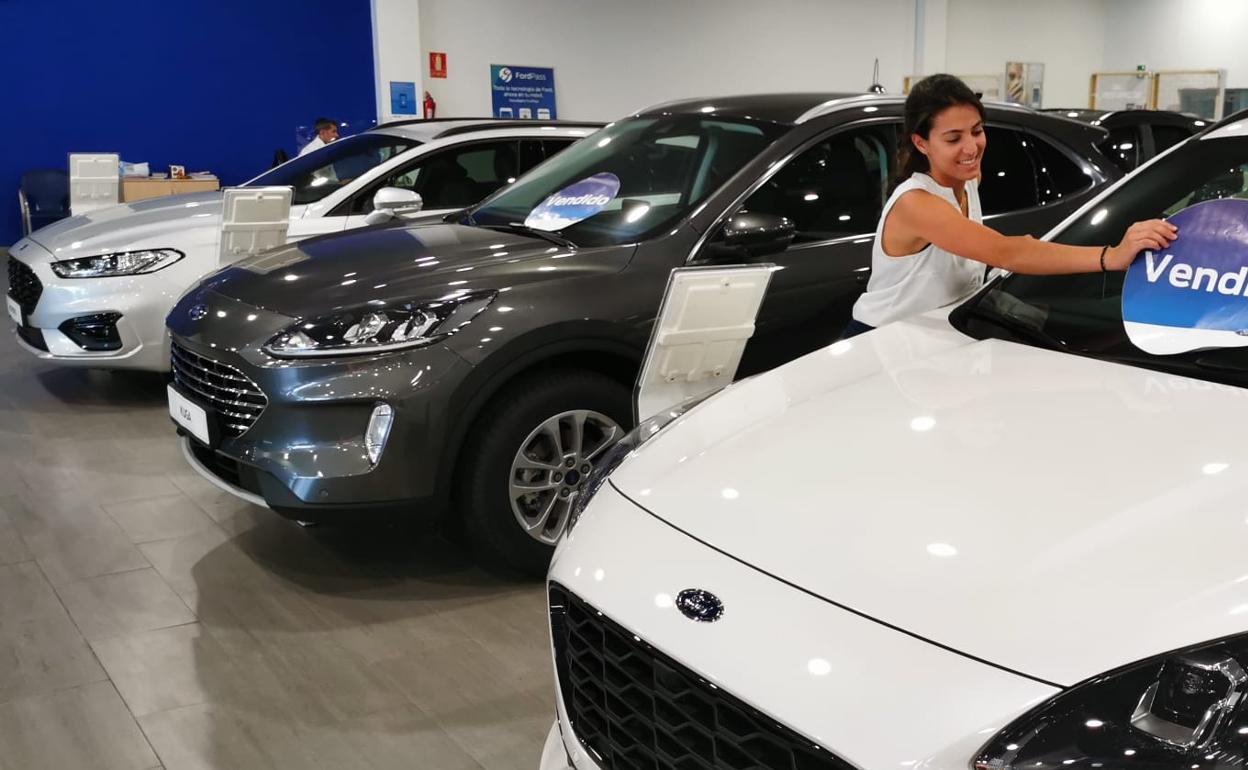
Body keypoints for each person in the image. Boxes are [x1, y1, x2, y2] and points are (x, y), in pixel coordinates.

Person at [841, 74, 1177, 339]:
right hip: (880, 340)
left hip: (933, 336)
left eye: (976, 131)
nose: (971, 147)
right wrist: (1111, 257)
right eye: (953, 138)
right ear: (921, 143)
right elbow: (1006, 252)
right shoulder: (916, 203)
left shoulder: (967, 181)